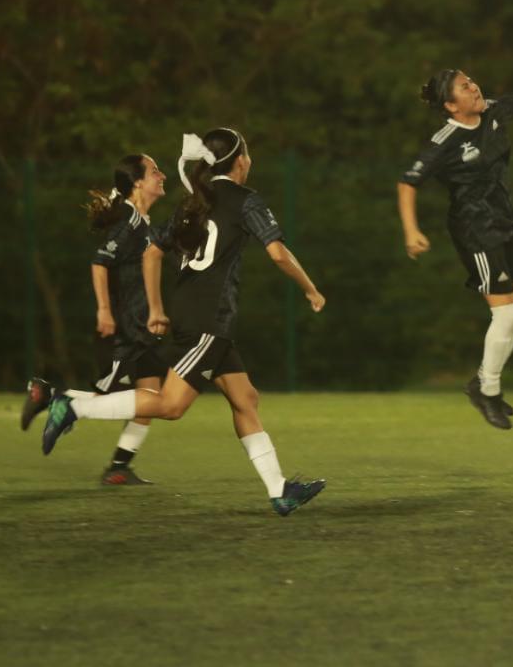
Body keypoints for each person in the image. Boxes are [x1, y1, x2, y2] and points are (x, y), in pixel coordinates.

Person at [40, 129, 328, 516]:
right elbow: (277, 254)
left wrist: (158, 309)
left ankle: (280, 490)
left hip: (202, 318)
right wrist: (310, 288)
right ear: (240, 160)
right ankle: (73, 408)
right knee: (172, 405)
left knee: (245, 399)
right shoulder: (245, 200)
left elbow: (152, 253)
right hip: (209, 320)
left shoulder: (195, 202)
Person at [397, 69, 513, 430]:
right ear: (451, 105)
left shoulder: (493, 113)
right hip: (475, 231)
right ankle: (488, 390)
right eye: (464, 87)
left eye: (472, 82)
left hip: (506, 222)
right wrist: (411, 230)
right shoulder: (445, 140)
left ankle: (481, 380)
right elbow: (408, 183)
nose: (474, 87)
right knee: (505, 315)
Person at [20, 154, 169, 487]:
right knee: (115, 400)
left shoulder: (142, 222)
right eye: (155, 171)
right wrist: (104, 309)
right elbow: (100, 261)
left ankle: (119, 467)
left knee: (151, 400)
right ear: (137, 183)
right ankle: (52, 396)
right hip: (126, 330)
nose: (163, 176)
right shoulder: (130, 221)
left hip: (142, 327)